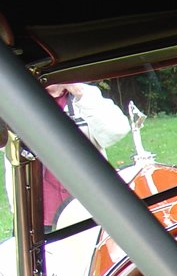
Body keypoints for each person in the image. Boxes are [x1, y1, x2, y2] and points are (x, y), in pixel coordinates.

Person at [3, 82, 129, 229]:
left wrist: (79, 91)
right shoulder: (17, 96)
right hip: (35, 217)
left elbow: (117, 131)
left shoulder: (84, 95)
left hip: (89, 212)